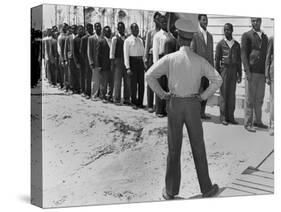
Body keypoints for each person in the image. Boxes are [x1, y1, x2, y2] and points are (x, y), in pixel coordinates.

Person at [146, 18, 221, 200]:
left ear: (178, 38)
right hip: (193, 105)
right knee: (198, 146)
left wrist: (163, 94)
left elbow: (149, 75)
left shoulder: (170, 59)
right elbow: (218, 79)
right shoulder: (199, 60)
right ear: (193, 39)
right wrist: (203, 97)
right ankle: (206, 188)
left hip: (175, 104)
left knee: (174, 148)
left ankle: (170, 191)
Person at [241, 17, 268, 132]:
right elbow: (243, 54)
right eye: (252, 20)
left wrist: (267, 73)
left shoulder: (265, 37)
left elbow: (267, 55)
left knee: (259, 99)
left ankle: (258, 121)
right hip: (251, 72)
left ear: (260, 21)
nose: (254, 23)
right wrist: (247, 71)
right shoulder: (247, 35)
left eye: (256, 20)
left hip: (261, 73)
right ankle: (248, 123)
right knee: (250, 99)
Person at [215, 23, 242, 125]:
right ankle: (223, 117)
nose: (227, 31)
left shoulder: (236, 45)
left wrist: (239, 74)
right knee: (224, 93)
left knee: (231, 94)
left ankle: (231, 116)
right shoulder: (220, 44)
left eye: (229, 30)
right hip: (224, 70)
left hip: (234, 70)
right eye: (225, 30)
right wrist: (217, 74)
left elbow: (239, 61)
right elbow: (217, 60)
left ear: (232, 30)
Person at [191, 14, 214, 119]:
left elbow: (211, 54)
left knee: (205, 91)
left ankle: (202, 112)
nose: (206, 22)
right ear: (199, 21)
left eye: (206, 20)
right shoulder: (195, 35)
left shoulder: (210, 36)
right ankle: (195, 112)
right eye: (203, 20)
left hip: (207, 69)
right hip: (198, 69)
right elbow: (192, 52)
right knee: (197, 91)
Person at [152, 15, 171, 117]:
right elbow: (155, 52)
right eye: (162, 22)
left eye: (166, 22)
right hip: (160, 61)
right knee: (160, 86)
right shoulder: (157, 36)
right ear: (160, 23)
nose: (164, 24)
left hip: (169, 63)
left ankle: (166, 109)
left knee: (167, 87)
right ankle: (159, 110)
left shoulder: (171, 35)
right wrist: (156, 67)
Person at [123, 23, 145, 109]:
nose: (137, 30)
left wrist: (144, 63)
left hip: (140, 62)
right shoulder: (127, 41)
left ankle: (140, 102)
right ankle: (134, 102)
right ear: (131, 30)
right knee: (133, 84)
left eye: (138, 28)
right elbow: (126, 55)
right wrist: (128, 67)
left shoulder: (140, 40)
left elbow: (143, 53)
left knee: (141, 84)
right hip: (132, 62)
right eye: (135, 29)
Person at [144, 12, 161, 113]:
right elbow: (146, 47)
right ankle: (150, 105)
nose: (158, 20)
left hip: (160, 59)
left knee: (160, 82)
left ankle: (159, 106)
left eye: (160, 19)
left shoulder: (164, 32)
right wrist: (145, 60)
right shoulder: (150, 32)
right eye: (157, 18)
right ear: (154, 20)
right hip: (151, 58)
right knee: (150, 82)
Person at [110, 22, 131, 105]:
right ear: (117, 29)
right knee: (117, 81)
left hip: (126, 61)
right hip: (118, 61)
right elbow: (112, 52)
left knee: (127, 81)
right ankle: (117, 98)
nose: (121, 29)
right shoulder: (115, 38)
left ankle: (126, 99)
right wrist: (112, 63)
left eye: (123, 27)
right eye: (120, 28)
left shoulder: (127, 38)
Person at [97, 26, 113, 103]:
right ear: (104, 32)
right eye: (107, 31)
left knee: (111, 82)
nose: (109, 33)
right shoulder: (101, 41)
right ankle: (103, 96)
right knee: (104, 82)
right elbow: (98, 55)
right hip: (104, 65)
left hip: (112, 65)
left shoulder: (113, 40)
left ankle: (109, 96)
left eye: (109, 31)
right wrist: (99, 65)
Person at [87, 22, 102, 101]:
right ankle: (94, 95)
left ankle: (101, 95)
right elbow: (89, 51)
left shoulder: (103, 37)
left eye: (99, 26)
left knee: (102, 80)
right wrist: (91, 62)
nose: (98, 28)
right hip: (95, 62)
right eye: (96, 27)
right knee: (95, 80)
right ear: (94, 28)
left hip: (103, 63)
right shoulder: (91, 38)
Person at [80, 23, 94, 99]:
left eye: (91, 28)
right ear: (86, 29)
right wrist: (86, 60)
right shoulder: (84, 38)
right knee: (87, 77)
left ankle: (95, 93)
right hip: (86, 60)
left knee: (94, 77)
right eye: (88, 28)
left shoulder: (95, 37)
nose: (90, 29)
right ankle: (87, 92)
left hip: (95, 60)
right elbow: (82, 51)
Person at [64, 25, 78, 94]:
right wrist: (65, 59)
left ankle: (77, 87)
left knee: (77, 73)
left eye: (75, 29)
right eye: (72, 29)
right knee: (71, 73)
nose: (74, 30)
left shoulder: (78, 37)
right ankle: (71, 87)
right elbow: (65, 49)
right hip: (71, 58)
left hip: (78, 58)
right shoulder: (68, 37)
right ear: (71, 30)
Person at [265, 36, 274, 136]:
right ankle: (272, 125)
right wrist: (267, 74)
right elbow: (268, 56)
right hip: (274, 73)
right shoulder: (273, 38)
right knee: (274, 100)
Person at [73, 25, 85, 94]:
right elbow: (74, 52)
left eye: (82, 29)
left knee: (86, 76)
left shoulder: (86, 38)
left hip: (86, 60)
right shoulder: (76, 39)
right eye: (79, 30)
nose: (81, 31)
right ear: (77, 31)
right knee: (80, 76)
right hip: (79, 60)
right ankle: (79, 89)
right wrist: (77, 62)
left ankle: (84, 89)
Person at [57, 23, 69, 90]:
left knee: (67, 72)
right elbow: (59, 48)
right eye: (63, 27)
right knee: (62, 72)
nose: (64, 28)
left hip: (67, 56)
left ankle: (66, 85)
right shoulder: (60, 37)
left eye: (65, 27)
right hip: (61, 56)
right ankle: (62, 85)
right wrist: (61, 57)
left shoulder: (68, 35)